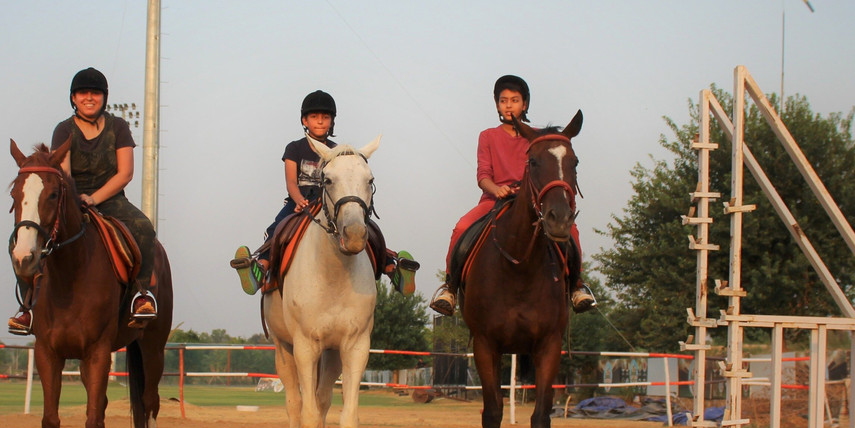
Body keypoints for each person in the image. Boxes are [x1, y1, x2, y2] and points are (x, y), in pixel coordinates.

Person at [429, 74, 597, 317]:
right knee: (461, 227)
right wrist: (497, 189)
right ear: (497, 105)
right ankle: (450, 288)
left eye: (515, 100)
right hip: (494, 200)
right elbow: (483, 174)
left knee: (572, 230)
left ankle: (577, 288)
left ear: (525, 104)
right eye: (504, 100)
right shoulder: (487, 136)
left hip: (532, 203)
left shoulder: (540, 137)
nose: (509, 105)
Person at [8, 67, 157, 335]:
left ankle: (141, 294)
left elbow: (125, 173)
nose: (89, 97)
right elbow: (63, 174)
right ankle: (28, 308)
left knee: (144, 227)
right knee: (28, 237)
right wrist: (77, 198)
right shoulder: (63, 129)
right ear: (73, 98)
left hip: (110, 198)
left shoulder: (119, 127)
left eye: (95, 93)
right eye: (83, 93)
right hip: (70, 199)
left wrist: (94, 198)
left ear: (104, 97)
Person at [231, 90, 418, 296]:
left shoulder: (338, 151)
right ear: (305, 120)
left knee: (367, 228)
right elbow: (291, 182)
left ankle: (393, 268)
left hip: (330, 203)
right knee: (276, 229)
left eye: (325, 117)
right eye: (314, 117)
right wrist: (299, 200)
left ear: (332, 121)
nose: (320, 122)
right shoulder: (294, 148)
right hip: (299, 201)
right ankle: (261, 269)